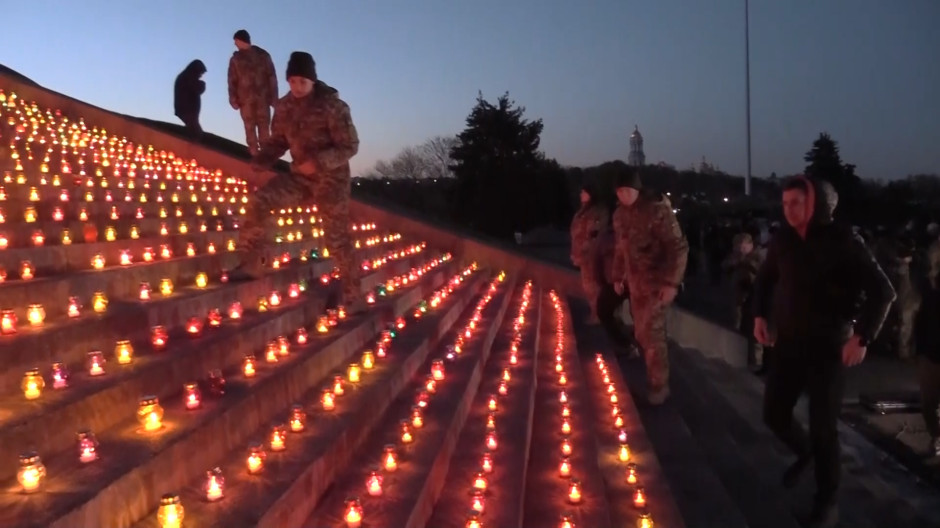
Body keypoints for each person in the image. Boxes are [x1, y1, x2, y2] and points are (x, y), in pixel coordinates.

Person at [754, 176, 896, 528]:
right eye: (784, 204)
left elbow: (884, 291)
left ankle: (827, 502)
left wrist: (862, 337)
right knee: (774, 413)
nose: (789, 211)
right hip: (788, 344)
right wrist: (759, 314)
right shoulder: (782, 240)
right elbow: (765, 279)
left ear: (814, 204)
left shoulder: (844, 241)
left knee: (823, 428)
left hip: (827, 348)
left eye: (796, 203)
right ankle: (805, 453)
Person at [233, 51, 362, 311]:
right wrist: (264, 157)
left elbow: (350, 146)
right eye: (292, 82)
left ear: (313, 81)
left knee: (336, 239)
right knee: (261, 201)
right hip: (301, 177)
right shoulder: (285, 107)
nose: (297, 87)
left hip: (331, 179)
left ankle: (353, 293)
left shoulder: (333, 107)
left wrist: (319, 162)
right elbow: (279, 139)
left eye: (302, 82)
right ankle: (253, 262)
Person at [611, 171, 688, 405]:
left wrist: (671, 282)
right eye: (620, 191)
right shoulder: (620, 215)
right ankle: (653, 377)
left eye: (629, 190)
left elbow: (678, 247)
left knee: (651, 335)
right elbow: (620, 248)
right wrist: (618, 276)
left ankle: (658, 387)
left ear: (638, 190)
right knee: (642, 333)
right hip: (636, 285)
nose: (625, 195)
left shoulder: (656, 211)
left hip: (657, 283)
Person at [228, 29, 278, 155]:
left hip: (263, 99)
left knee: (264, 126)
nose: (235, 44)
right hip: (245, 100)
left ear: (241, 40)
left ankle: (265, 155)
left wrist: (274, 98)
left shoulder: (263, 56)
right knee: (249, 127)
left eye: (236, 41)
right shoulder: (236, 59)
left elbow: (271, 77)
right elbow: (232, 80)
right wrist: (233, 98)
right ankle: (253, 152)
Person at [723, 232, 765, 371]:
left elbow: (762, 272)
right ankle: (737, 357)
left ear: (750, 245)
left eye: (744, 247)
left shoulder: (758, 257)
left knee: (754, 331)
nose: (741, 250)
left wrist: (747, 264)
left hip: (754, 298)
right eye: (738, 247)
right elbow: (725, 267)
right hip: (738, 298)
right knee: (737, 326)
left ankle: (756, 361)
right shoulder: (735, 258)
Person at [914, 239, 940, 457]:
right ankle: (936, 436)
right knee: (928, 403)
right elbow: (922, 317)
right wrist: (919, 348)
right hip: (930, 351)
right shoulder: (929, 286)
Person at [570, 181, 609, 322]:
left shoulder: (598, 211)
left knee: (593, 285)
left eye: (584, 192)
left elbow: (597, 233)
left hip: (592, 255)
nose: (581, 194)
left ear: (590, 194)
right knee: (588, 285)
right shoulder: (583, 210)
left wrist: (588, 248)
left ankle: (598, 314)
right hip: (582, 255)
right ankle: (596, 312)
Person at [174, 60, 207, 139]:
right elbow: (197, 88)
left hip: (186, 111)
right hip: (186, 110)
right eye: (200, 73)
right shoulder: (188, 77)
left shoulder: (186, 77)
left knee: (195, 133)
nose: (200, 76)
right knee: (196, 134)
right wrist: (202, 85)